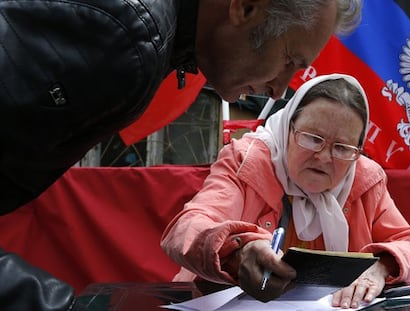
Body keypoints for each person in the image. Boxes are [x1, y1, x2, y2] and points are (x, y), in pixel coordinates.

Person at [0, 1, 362, 309]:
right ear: (246, 7)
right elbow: (192, 225)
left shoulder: (145, 35)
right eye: (288, 60)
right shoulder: (126, 39)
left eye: (344, 147)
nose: (279, 88)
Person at [161, 73, 410, 308]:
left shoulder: (364, 178)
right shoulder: (247, 161)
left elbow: (408, 243)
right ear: (287, 128)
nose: (324, 157)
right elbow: (186, 229)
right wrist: (239, 251)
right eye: (313, 138)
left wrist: (382, 267)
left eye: (342, 148)